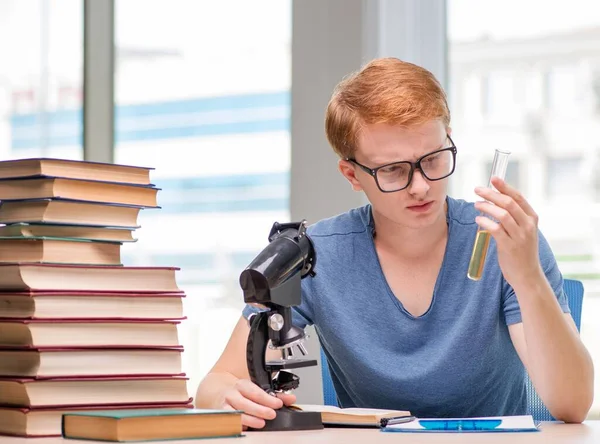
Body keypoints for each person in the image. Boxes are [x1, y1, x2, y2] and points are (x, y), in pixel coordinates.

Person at [195, 57, 594, 427]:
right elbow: (214, 384)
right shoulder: (316, 253)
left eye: (434, 159)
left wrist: (528, 278)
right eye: (393, 170)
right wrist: (231, 397)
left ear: (449, 139)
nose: (420, 187)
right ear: (352, 175)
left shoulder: (502, 239)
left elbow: (572, 404)